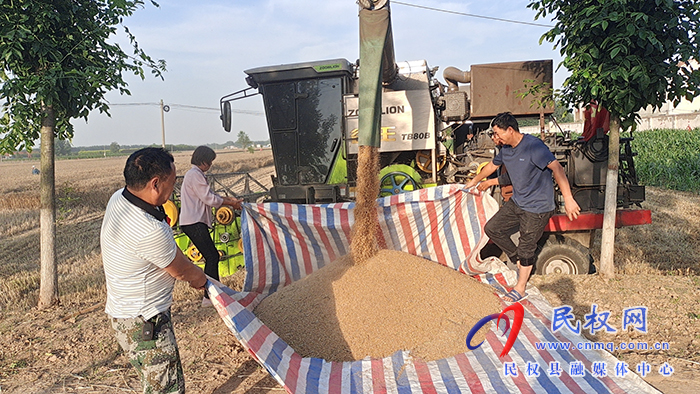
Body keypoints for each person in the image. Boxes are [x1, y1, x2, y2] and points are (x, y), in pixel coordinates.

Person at [101, 147, 207, 394]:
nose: (174, 189)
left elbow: (169, 254)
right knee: (166, 388)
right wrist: (203, 280)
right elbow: (181, 270)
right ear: (155, 184)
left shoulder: (119, 197)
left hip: (125, 314)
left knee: (154, 382)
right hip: (146, 322)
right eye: (173, 182)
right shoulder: (149, 229)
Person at [467, 112, 580, 303]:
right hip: (518, 202)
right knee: (492, 228)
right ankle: (517, 257)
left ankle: (520, 288)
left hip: (537, 207)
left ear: (510, 130)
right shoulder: (506, 150)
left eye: (497, 133)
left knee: (527, 246)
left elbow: (557, 169)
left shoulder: (533, 147)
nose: (496, 138)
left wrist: (568, 199)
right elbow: (493, 167)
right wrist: (475, 181)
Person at [179, 146, 242, 306]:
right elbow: (210, 199)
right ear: (203, 161)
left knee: (211, 256)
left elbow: (211, 196)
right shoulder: (195, 175)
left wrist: (228, 200)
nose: (211, 165)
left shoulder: (195, 175)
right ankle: (209, 297)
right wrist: (230, 203)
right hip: (194, 222)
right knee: (212, 256)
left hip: (193, 222)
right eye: (210, 161)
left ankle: (213, 294)